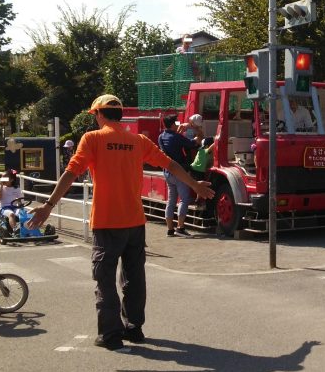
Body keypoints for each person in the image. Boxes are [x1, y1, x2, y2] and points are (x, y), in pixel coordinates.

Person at [25, 94, 214, 351]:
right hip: (135, 222)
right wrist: (195, 186)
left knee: (105, 279)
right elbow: (170, 164)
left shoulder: (93, 139)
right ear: (120, 115)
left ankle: (110, 334)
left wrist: (48, 207)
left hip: (106, 222)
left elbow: (71, 172)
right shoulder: (138, 141)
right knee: (135, 279)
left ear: (99, 115)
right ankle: (134, 329)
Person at [157, 113, 199, 237]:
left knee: (171, 200)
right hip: (179, 171)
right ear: (172, 124)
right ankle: (180, 228)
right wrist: (197, 131)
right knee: (184, 199)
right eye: (176, 122)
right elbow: (192, 144)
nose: (178, 124)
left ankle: (170, 229)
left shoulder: (161, 137)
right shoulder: (176, 137)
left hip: (167, 171)